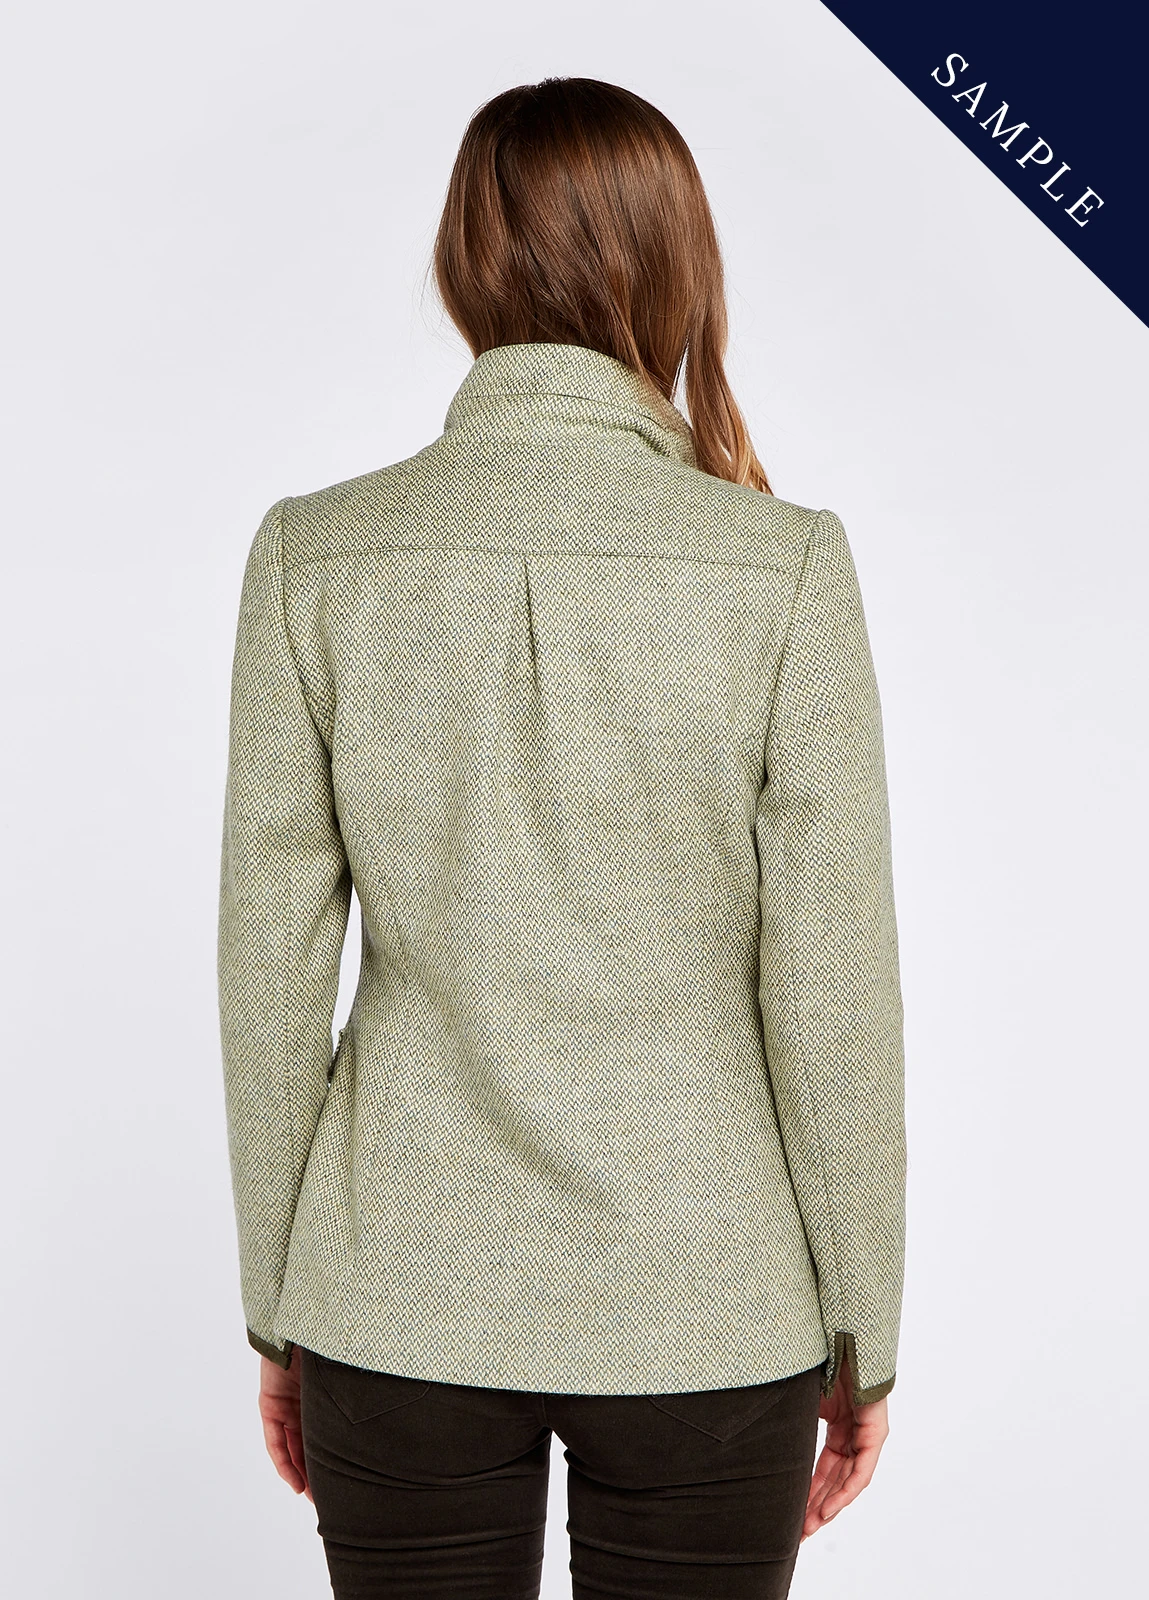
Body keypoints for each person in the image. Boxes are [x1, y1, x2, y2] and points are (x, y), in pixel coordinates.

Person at [217, 75, 907, 1600]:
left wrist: (281, 1303)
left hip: (394, 1293)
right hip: (709, 1302)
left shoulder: (317, 559)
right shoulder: (784, 569)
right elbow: (833, 995)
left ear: (463, 266)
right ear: (679, 266)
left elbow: (269, 979)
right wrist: (865, 1329)